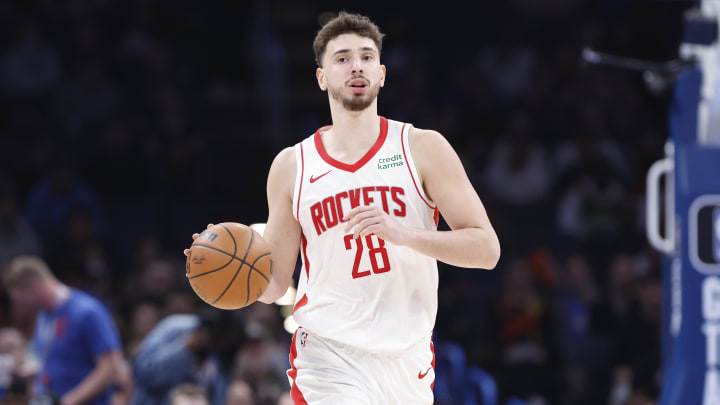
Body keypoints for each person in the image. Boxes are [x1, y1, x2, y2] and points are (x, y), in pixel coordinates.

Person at [185, 11, 500, 404]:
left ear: (382, 73)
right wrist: (226, 262)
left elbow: (486, 250)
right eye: (342, 58)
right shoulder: (292, 166)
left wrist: (404, 233)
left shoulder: (422, 147)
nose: (357, 66)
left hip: (407, 358)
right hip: (326, 354)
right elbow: (277, 283)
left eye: (367, 57)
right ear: (322, 77)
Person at [3, 255, 132, 405]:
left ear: (35, 287)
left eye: (21, 301)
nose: (20, 308)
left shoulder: (87, 311)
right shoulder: (43, 316)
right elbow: (54, 362)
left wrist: (68, 401)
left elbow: (110, 366)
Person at [130, 309, 244, 405]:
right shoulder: (176, 327)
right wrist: (184, 349)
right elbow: (142, 371)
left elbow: (219, 395)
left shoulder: (224, 351)